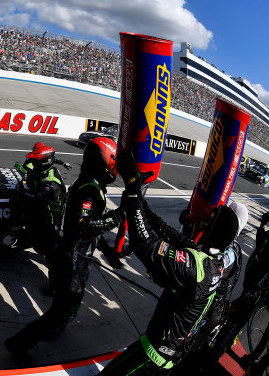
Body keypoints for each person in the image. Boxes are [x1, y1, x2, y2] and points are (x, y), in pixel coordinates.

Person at [98, 151, 240, 375]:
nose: (203, 222)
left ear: (215, 229)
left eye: (209, 220)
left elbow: (146, 245)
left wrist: (133, 192)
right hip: (164, 358)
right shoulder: (214, 260)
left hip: (150, 359)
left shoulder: (198, 267)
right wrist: (140, 202)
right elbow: (167, 231)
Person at [5, 137, 125, 355]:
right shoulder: (89, 187)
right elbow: (84, 226)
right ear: (104, 160)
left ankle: (49, 324)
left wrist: (108, 253)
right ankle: (19, 344)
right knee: (63, 311)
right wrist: (118, 216)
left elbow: (92, 229)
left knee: (66, 306)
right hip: (71, 259)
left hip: (74, 256)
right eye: (113, 161)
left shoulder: (92, 184)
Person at [170, 201, 247, 374]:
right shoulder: (231, 246)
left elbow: (203, 266)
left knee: (186, 350)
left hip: (210, 309)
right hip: (211, 306)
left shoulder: (228, 252)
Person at [203, 210, 269, 373]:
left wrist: (254, 290)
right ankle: (217, 348)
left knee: (235, 323)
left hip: (255, 292)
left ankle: (215, 354)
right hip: (250, 286)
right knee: (233, 319)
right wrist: (261, 226)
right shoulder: (267, 239)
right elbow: (260, 241)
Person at [16, 141, 67, 258]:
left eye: (37, 161)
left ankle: (52, 252)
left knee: (47, 232)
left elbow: (38, 197)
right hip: (49, 199)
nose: (34, 163)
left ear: (44, 162)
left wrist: (23, 191)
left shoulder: (50, 184)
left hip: (52, 211)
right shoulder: (48, 167)